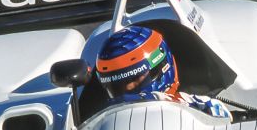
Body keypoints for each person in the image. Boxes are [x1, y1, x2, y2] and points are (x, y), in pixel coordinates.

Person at [94, 26, 230, 118]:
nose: (128, 88)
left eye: (135, 80)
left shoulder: (205, 106)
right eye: (117, 86)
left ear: (162, 68)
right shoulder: (101, 119)